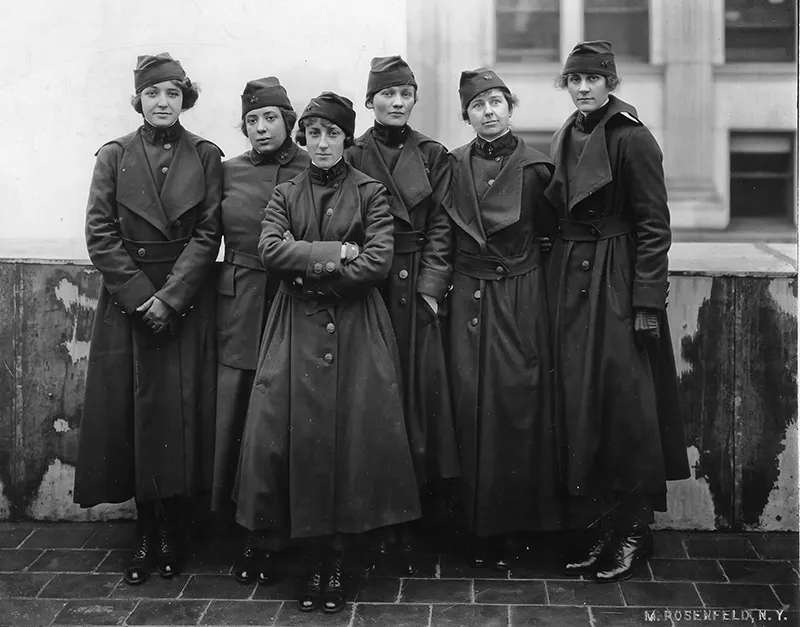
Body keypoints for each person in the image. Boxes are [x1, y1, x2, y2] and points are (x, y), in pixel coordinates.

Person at [233, 92, 421, 613]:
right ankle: (311, 556)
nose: (321, 144)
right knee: (291, 434)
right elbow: (270, 251)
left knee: (352, 438)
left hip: (358, 328)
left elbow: (378, 262)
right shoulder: (286, 192)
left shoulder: (371, 192)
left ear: (346, 138)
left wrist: (311, 270)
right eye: (312, 134)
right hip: (295, 328)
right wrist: (336, 252)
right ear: (302, 138)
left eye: (332, 134)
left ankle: (338, 561)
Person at [74, 53, 223, 585]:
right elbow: (100, 234)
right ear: (138, 99)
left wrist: (172, 297)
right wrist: (142, 298)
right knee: (134, 418)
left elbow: (209, 233)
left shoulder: (206, 156)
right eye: (154, 94)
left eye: (174, 94)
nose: (163, 103)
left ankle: (177, 530)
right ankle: (146, 529)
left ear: (186, 100)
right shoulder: (113, 156)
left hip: (184, 304)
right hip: (129, 307)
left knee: (182, 415)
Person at [544, 41, 689, 582]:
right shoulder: (567, 132)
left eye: (592, 79)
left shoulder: (633, 139)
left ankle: (634, 532)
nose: (583, 88)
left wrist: (647, 302)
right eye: (574, 80)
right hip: (572, 282)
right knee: (585, 411)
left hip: (617, 283)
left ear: (610, 83)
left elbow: (655, 228)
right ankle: (606, 528)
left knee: (626, 411)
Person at [443, 68, 562, 571]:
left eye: (496, 102)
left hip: (520, 295)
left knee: (519, 404)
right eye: (477, 105)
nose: (488, 112)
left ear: (510, 107)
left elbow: (553, 236)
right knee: (468, 405)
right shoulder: (451, 166)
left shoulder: (538, 169)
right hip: (467, 296)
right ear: (466, 115)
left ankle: (519, 527)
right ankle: (476, 529)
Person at [345, 56, 459, 565]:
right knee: (372, 401)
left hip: (416, 292)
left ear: (414, 100)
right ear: (370, 100)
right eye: (386, 94)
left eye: (405, 94)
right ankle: (375, 525)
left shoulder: (433, 155)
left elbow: (441, 226)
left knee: (420, 401)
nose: (396, 102)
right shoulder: (350, 153)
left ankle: (419, 526)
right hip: (368, 288)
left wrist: (432, 287)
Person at [211, 77, 309, 584]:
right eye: (252, 120)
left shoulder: (313, 164)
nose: (261, 128)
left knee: (290, 414)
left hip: (295, 300)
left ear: (289, 123)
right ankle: (248, 534)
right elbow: (206, 236)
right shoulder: (226, 172)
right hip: (244, 302)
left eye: (271, 118)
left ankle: (294, 531)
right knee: (242, 415)